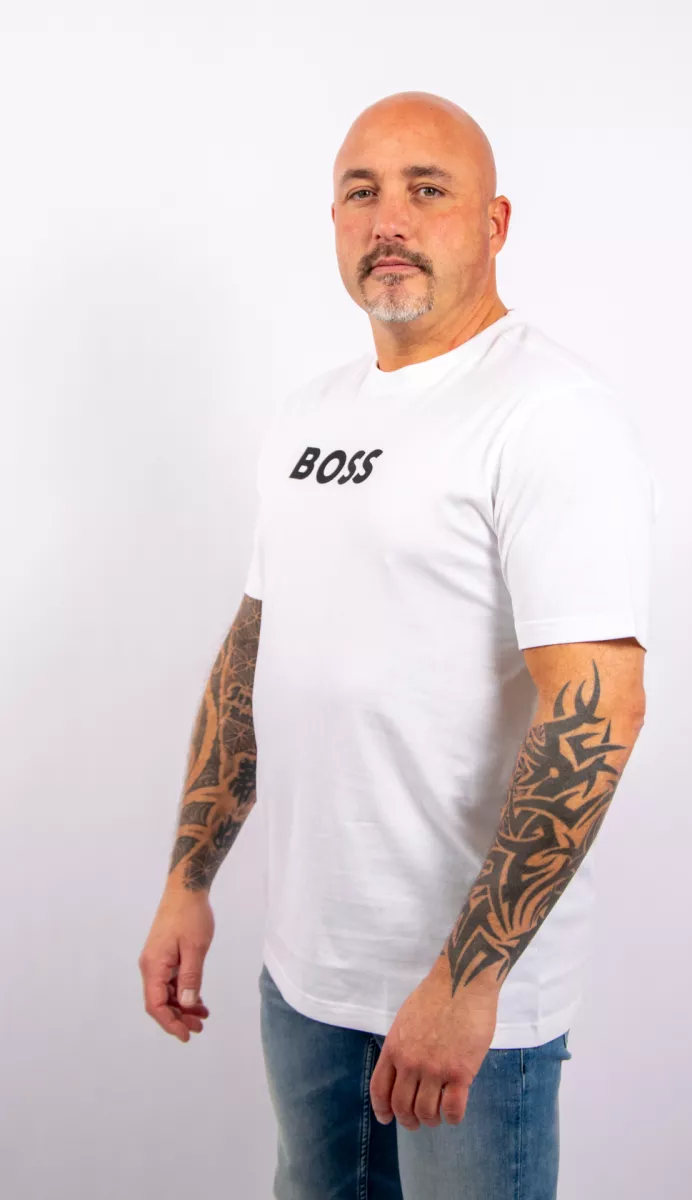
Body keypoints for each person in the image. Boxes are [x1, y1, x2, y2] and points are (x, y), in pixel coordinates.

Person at [139, 89, 661, 1199]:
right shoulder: (310, 414)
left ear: (493, 223)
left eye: (427, 190)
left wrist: (467, 982)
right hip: (306, 974)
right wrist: (189, 880)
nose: (389, 219)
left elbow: (599, 708)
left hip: (466, 998)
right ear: (333, 220)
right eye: (361, 192)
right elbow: (254, 654)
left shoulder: (547, 412)